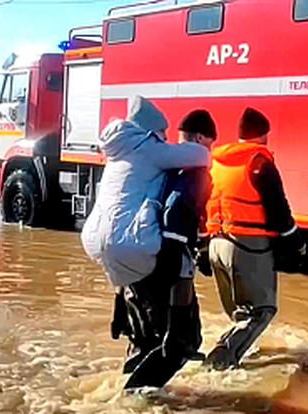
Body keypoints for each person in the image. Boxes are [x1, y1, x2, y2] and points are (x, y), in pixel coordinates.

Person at [80, 97, 211, 387]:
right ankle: (136, 396)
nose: (164, 139)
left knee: (145, 331)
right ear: (151, 131)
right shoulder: (148, 149)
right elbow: (201, 157)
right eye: (162, 134)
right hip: (134, 244)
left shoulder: (117, 151)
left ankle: (130, 366)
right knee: (180, 339)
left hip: (101, 244)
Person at [119, 109, 218, 389]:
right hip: (163, 262)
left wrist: (200, 243)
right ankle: (132, 399)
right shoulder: (195, 173)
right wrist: (180, 253)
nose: (210, 151)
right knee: (183, 341)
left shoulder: (162, 167)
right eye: (210, 144)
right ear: (200, 138)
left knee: (147, 338)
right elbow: (176, 211)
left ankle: (125, 383)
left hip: (133, 258)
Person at [203, 107, 306, 371]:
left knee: (240, 313)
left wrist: (201, 246)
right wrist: (296, 241)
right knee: (262, 310)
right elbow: (278, 209)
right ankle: (222, 359)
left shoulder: (216, 162)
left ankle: (231, 352)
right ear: (264, 135)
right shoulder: (260, 163)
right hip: (247, 246)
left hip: (216, 243)